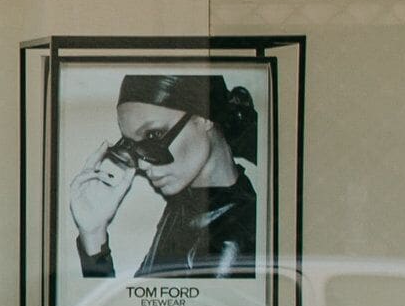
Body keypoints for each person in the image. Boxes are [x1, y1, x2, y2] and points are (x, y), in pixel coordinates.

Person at [67, 71, 260, 281]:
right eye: (132, 146)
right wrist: (93, 234)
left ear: (205, 117)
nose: (141, 163)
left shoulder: (231, 238)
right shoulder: (187, 203)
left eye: (153, 136)